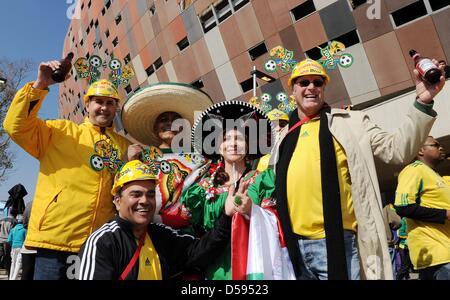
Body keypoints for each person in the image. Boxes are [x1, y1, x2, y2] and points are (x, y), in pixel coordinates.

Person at [273, 58, 446, 280]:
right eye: (303, 82)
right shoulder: (284, 136)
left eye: (317, 82)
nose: (311, 88)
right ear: (293, 89)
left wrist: (423, 102)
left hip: (336, 242)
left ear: (324, 88)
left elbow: (397, 150)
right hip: (293, 245)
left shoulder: (350, 122)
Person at [3, 59, 133, 280]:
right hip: (55, 244)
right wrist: (40, 84)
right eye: (98, 101)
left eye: (110, 103)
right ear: (87, 105)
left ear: (116, 107)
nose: (104, 107)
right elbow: (15, 126)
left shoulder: (123, 146)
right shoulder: (59, 131)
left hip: (99, 245)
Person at [78, 160, 244, 280]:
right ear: (117, 201)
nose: (144, 200)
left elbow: (200, 252)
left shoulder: (160, 234)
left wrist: (227, 216)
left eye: (150, 194)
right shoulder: (102, 242)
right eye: (135, 194)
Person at [180, 100, 281, 279]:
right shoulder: (201, 190)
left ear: (248, 146)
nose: (233, 144)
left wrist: (252, 211)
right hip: (216, 271)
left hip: (255, 267)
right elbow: (193, 235)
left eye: (239, 139)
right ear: (218, 147)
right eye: (226, 139)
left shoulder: (262, 180)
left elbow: (278, 226)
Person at [122, 83, 214, 230]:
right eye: (164, 119)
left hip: (194, 231)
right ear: (155, 127)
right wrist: (131, 162)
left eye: (176, 120)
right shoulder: (142, 157)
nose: (170, 124)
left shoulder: (202, 158)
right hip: (151, 231)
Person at [394, 136, 450, 280]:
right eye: (435, 145)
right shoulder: (413, 170)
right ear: (420, 150)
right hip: (436, 254)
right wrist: (445, 214)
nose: (441, 147)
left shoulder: (435, 175)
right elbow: (403, 207)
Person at [20, 201, 36, 280]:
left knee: (26, 274)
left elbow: (25, 223)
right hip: (47, 247)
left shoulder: (30, 204)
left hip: (29, 245)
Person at [7, 215, 26, 280]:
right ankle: (14, 278)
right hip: (21, 248)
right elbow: (25, 240)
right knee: (18, 263)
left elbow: (9, 240)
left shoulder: (13, 229)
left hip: (13, 247)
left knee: (13, 263)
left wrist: (12, 245)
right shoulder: (24, 230)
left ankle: (10, 278)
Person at [0, 211, 16, 277]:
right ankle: (9, 274)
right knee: (8, 258)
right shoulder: (14, 221)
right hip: (7, 242)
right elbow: (13, 233)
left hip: (0, 240)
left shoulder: (1, 220)